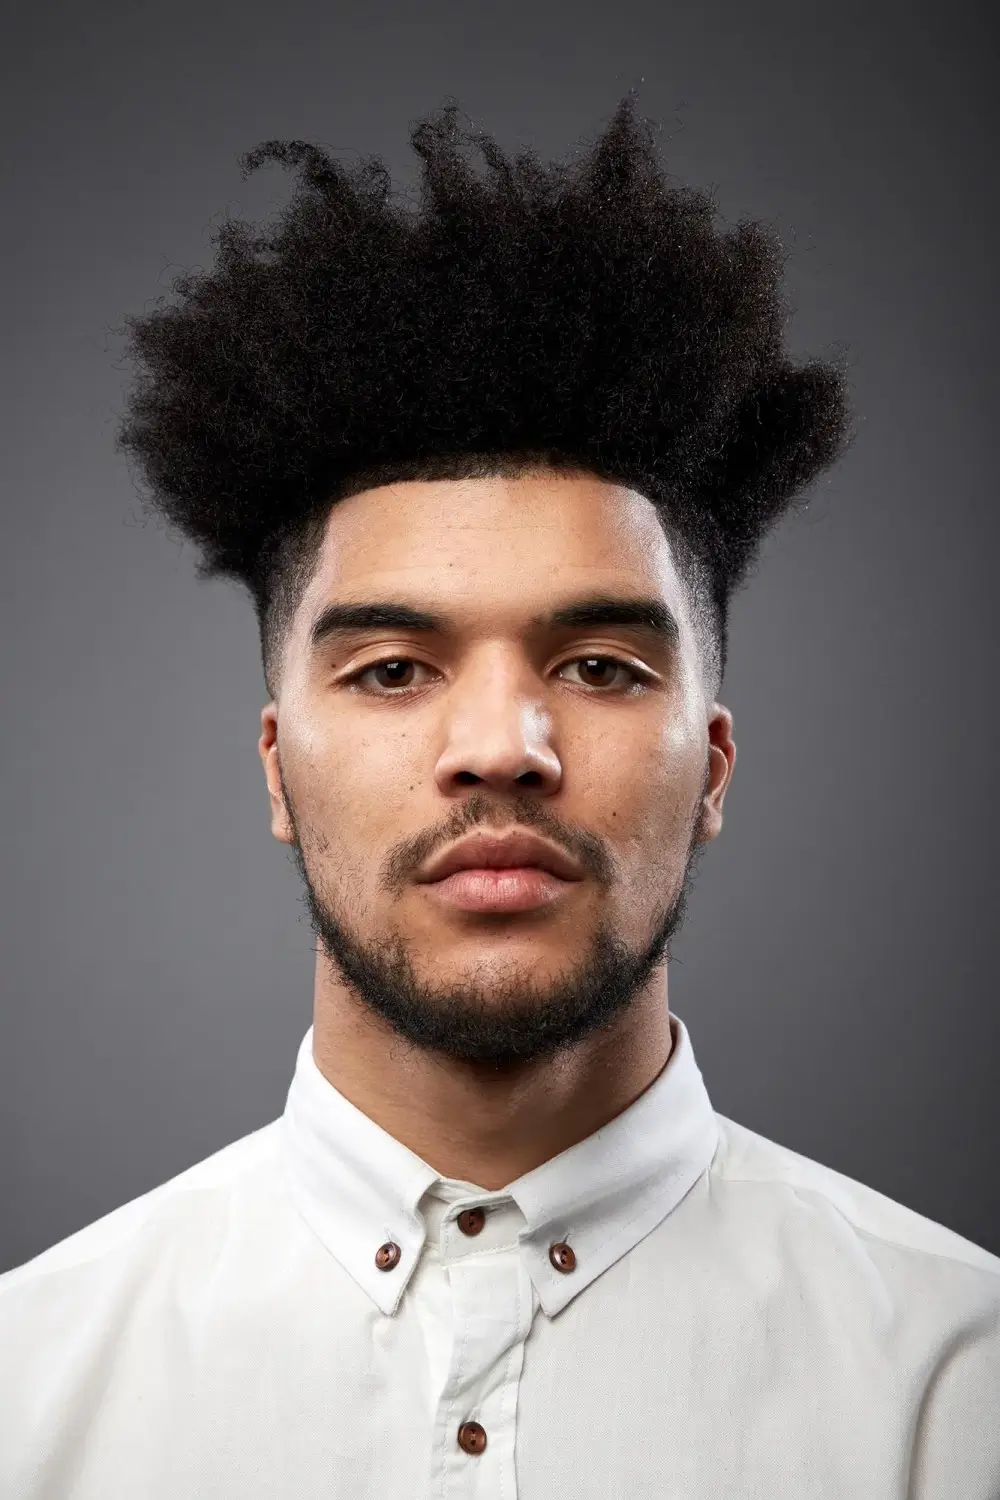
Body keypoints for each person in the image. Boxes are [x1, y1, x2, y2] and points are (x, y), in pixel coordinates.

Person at [1, 93, 997, 1499]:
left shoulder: (963, 1385)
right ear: (278, 767)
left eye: (596, 663)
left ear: (712, 768)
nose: (502, 743)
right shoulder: (29, 1388)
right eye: (396, 669)